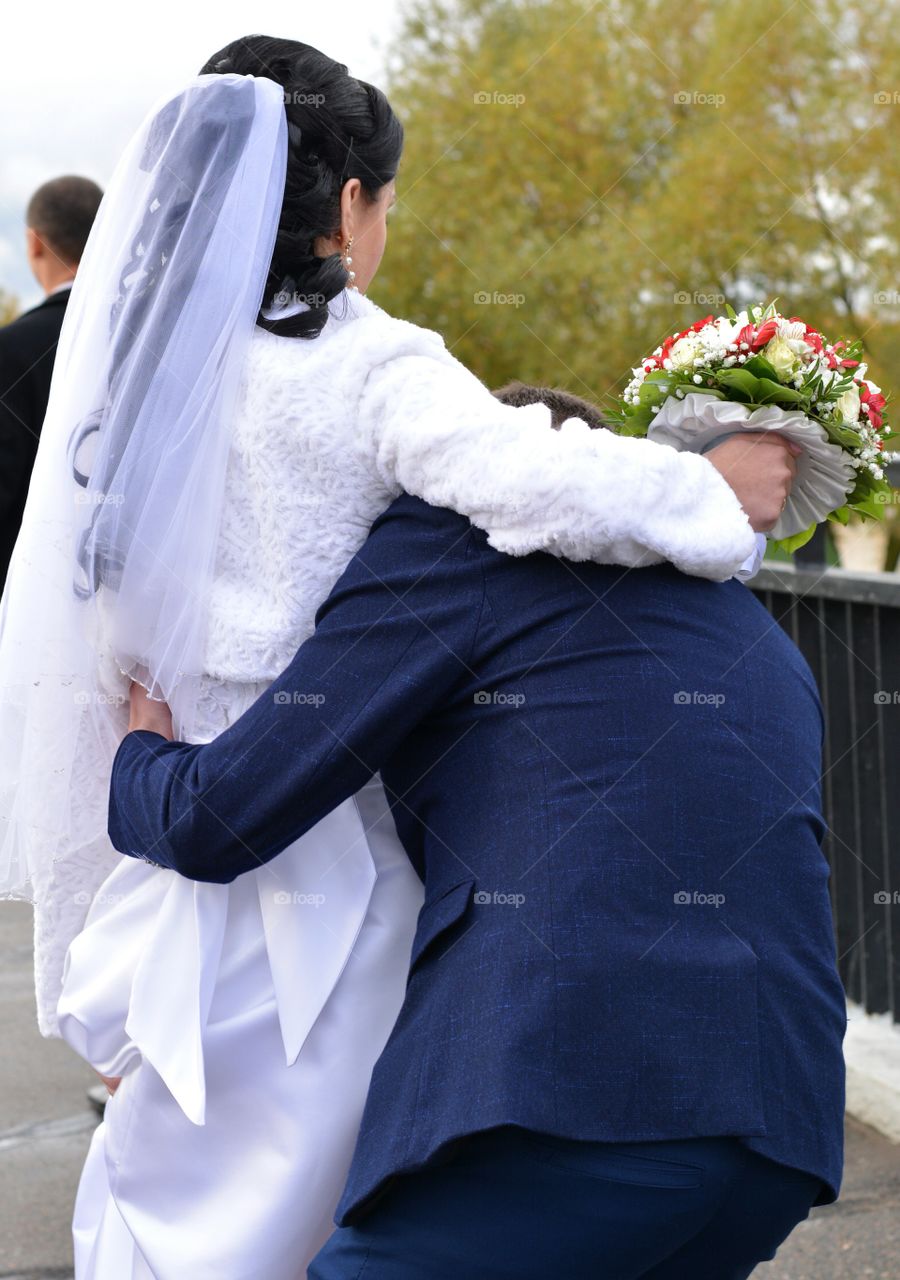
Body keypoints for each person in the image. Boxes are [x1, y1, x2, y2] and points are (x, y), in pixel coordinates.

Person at [0, 39, 797, 1280]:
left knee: (176, 1167)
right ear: (353, 207)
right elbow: (536, 478)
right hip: (334, 827)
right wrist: (706, 492)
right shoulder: (372, 363)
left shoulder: (143, 381)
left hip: (188, 811)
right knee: (326, 1175)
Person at [113, 465, 846, 1280]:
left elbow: (218, 817)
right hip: (781, 1133)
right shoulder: (749, 625)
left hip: (570, 1106)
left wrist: (141, 749)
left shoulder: (454, 534)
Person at [0, 176, 102, 587]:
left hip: (26, 593)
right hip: (125, 598)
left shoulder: (11, 348)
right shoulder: (141, 339)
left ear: (34, 242)